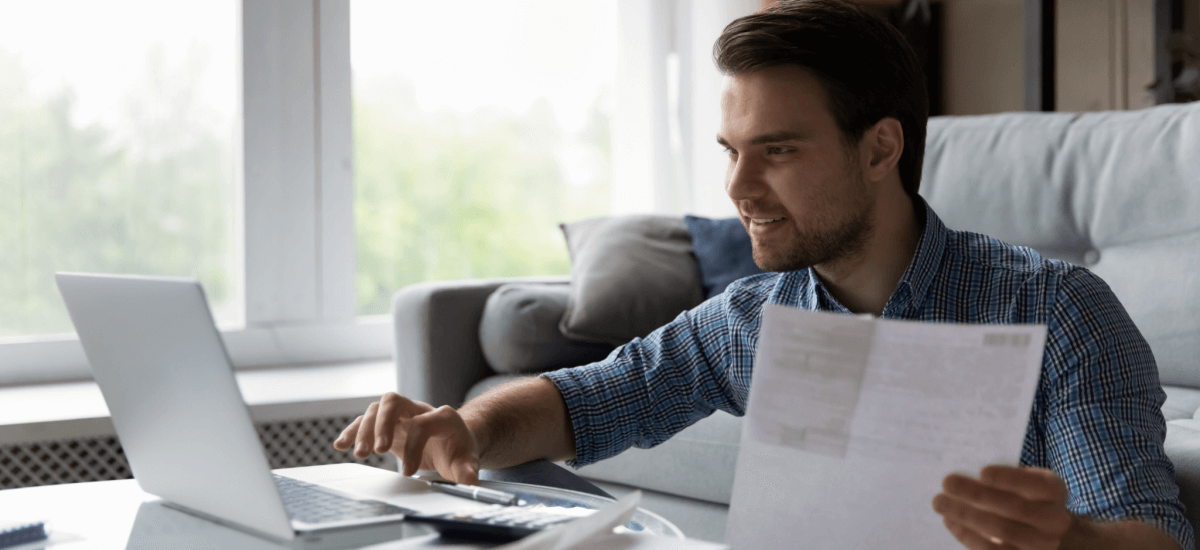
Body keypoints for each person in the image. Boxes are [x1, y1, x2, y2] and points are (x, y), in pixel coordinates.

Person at [334, 1, 1192, 548]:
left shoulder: (1054, 309)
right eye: (732, 153)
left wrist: (1066, 540)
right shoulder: (751, 318)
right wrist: (467, 428)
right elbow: (585, 399)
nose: (739, 190)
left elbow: (1148, 534)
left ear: (880, 148)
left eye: (777, 152)